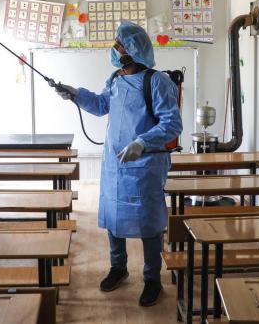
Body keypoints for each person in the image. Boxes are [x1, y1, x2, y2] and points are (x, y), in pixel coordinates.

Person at [53, 21, 183, 307]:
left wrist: (142, 142)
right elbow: (101, 105)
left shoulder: (156, 81)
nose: (114, 48)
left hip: (145, 164)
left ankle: (152, 279)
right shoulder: (115, 79)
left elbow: (172, 123)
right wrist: (75, 94)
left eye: (119, 44)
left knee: (148, 223)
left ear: (133, 50)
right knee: (113, 216)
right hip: (115, 163)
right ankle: (118, 267)